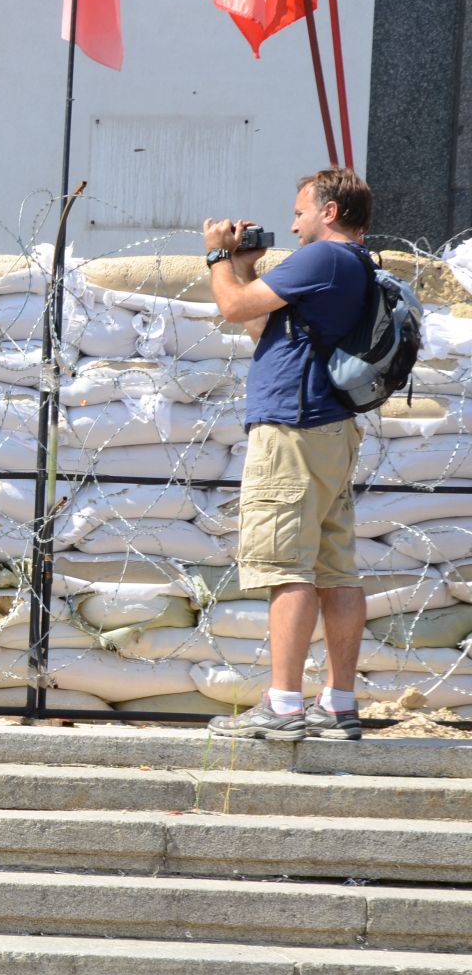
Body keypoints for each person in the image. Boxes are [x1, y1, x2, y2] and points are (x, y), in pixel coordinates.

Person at [202, 167, 375, 741]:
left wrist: (216, 257)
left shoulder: (323, 258)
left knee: (287, 567)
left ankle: (282, 705)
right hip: (329, 429)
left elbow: (231, 309)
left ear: (329, 212)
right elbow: (263, 329)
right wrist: (246, 267)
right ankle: (339, 703)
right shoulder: (352, 265)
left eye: (300, 210)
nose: (292, 221)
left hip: (294, 429)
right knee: (334, 570)